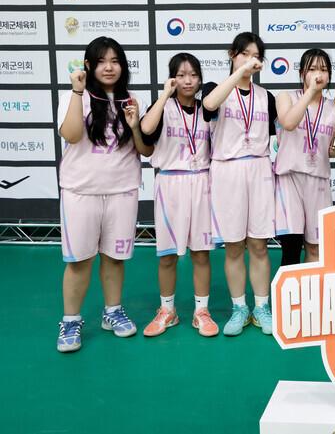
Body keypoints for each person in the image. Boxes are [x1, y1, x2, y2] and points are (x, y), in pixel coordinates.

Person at [56, 37, 151, 352]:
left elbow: (144, 150)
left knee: (114, 258)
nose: (109, 67)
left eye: (115, 61)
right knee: (79, 261)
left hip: (122, 191)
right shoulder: (75, 97)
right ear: (88, 65)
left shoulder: (132, 100)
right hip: (81, 191)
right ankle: (71, 321)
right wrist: (77, 91)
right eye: (101, 61)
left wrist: (134, 125)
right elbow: (71, 135)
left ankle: (113, 311)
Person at [202, 32, 277, 336]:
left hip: (258, 169)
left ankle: (261, 307)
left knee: (258, 244)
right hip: (227, 169)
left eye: (255, 55)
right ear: (232, 55)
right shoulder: (215, 88)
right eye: (244, 53)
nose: (250, 60)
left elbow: (274, 138)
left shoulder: (266, 97)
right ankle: (239, 308)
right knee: (234, 245)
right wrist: (239, 73)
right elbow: (209, 104)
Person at [140, 53, 218, 338]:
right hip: (170, 183)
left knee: (201, 253)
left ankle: (201, 311)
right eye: (181, 75)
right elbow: (146, 129)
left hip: (201, 182)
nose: (188, 80)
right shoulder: (163, 106)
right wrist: (164, 95)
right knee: (167, 255)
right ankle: (167, 311)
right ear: (172, 78)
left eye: (193, 75)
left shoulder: (207, 108)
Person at [275, 48, 335, 265]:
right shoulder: (286, 97)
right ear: (301, 73)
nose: (318, 74)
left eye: (323, 69)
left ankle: (312, 288)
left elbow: (333, 152)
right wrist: (310, 91)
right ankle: (289, 288)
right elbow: (288, 122)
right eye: (312, 69)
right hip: (290, 179)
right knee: (291, 246)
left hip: (318, 180)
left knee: (316, 246)